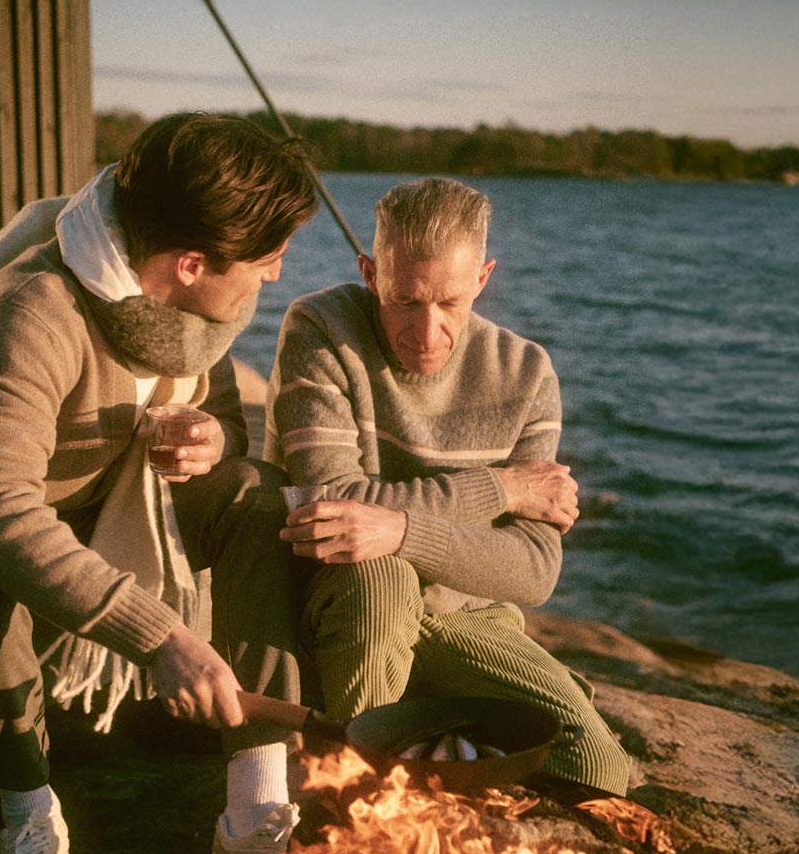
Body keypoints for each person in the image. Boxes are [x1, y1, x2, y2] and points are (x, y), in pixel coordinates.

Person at [0, 113, 324, 854]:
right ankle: (27, 817)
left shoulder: (186, 307)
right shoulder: (38, 306)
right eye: (267, 258)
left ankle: (254, 818)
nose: (276, 274)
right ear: (190, 264)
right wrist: (160, 637)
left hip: (89, 498)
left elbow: (228, 425)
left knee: (255, 496)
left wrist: (211, 439)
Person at [265, 176, 631, 798]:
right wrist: (502, 490)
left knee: (595, 767)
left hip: (466, 620)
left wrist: (398, 527)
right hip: (347, 606)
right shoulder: (322, 328)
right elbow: (331, 509)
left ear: (483, 278)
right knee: (379, 576)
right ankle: (360, 811)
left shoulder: (526, 373)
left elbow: (535, 571)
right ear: (371, 273)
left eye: (450, 303)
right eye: (405, 301)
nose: (427, 332)